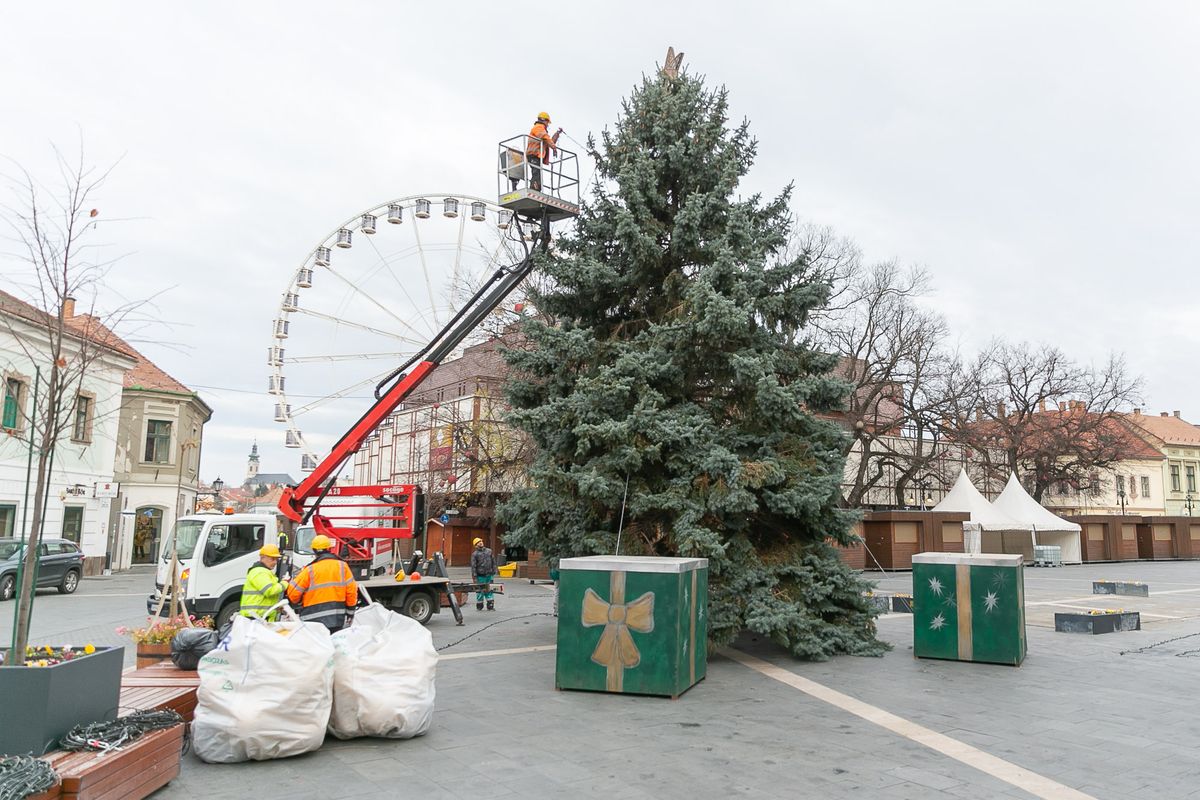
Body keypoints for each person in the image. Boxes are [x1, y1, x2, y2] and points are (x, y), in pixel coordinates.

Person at [286, 534, 359, 632]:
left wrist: (296, 602)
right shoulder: (342, 566)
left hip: (312, 621)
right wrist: (350, 612)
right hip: (336, 619)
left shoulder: (309, 570)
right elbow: (352, 591)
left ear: (314, 550)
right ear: (329, 548)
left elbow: (293, 594)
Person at [240, 544, 288, 621]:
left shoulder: (263, 572)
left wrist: (276, 607)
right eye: (272, 559)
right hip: (255, 619)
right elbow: (269, 590)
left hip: (259, 619)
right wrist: (285, 583)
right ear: (263, 557)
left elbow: (265, 599)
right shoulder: (260, 572)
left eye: (276, 559)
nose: (275, 562)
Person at [525, 111, 562, 191]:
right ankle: (533, 190)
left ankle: (535, 188)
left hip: (536, 156)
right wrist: (554, 147)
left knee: (537, 174)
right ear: (543, 120)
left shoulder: (542, 130)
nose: (548, 124)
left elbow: (549, 141)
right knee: (536, 174)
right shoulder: (538, 127)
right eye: (547, 122)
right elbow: (545, 138)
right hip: (533, 155)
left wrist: (557, 134)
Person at [470, 537, 497, 611]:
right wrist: (474, 577)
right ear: (475, 545)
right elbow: (473, 566)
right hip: (480, 576)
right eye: (478, 542)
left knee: (489, 590)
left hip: (489, 575)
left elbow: (493, 561)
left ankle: (490, 605)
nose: (481, 542)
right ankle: (479, 605)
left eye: (481, 541)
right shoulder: (474, 554)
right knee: (480, 591)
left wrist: (494, 571)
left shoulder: (489, 551)